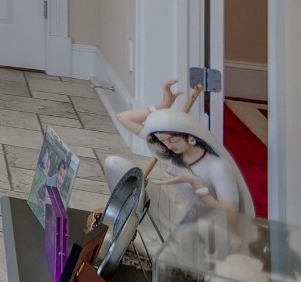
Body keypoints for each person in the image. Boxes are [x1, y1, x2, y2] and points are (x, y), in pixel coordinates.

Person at [103, 79, 255, 216]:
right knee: (116, 166)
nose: (168, 145)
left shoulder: (217, 167)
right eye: (163, 140)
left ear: (191, 136)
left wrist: (198, 185)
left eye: (173, 139)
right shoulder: (172, 151)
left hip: (213, 227)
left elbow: (231, 216)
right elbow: (123, 118)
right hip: (188, 215)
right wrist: (163, 106)